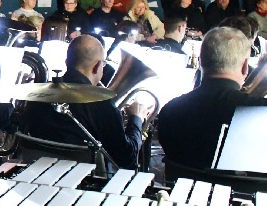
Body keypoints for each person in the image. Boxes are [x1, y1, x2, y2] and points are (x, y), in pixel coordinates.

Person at [28, 35, 146, 169]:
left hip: (38, 171)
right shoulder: (102, 104)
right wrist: (136, 119)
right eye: (103, 64)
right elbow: (127, 159)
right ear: (97, 66)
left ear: (66, 62)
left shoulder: (36, 95)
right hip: (86, 177)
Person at [158, 27, 267, 169]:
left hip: (181, 184)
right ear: (245, 66)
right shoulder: (261, 113)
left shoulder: (169, 111)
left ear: (200, 61)